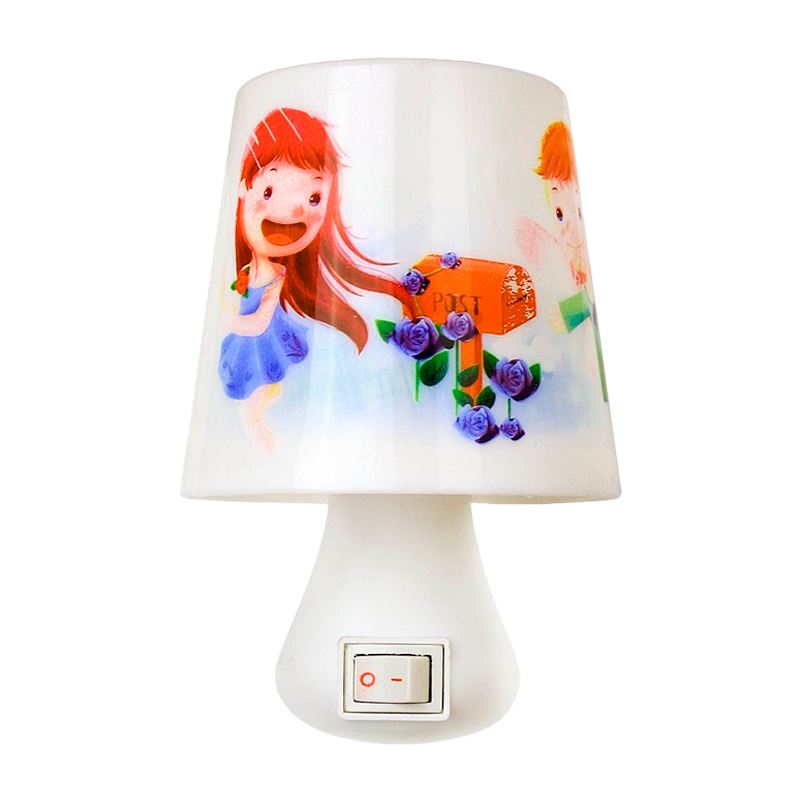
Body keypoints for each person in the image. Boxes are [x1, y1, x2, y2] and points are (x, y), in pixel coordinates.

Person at [219, 107, 411, 448]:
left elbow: (259, 322)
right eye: (269, 190)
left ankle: (262, 429)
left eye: (313, 197)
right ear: (245, 186)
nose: (293, 211)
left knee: (259, 400)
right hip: (246, 350)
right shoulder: (245, 273)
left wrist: (228, 321)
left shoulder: (276, 277)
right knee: (252, 407)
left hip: (261, 344)